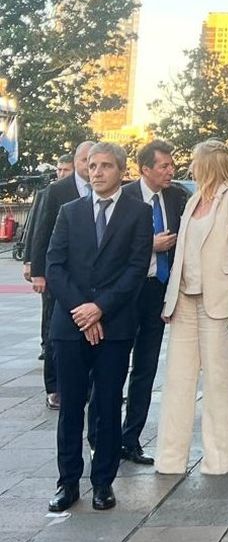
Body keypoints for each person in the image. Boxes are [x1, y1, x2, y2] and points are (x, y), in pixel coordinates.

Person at [45, 142, 152, 512]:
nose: (97, 172)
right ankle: (68, 482)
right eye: (92, 165)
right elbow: (54, 265)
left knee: (107, 405)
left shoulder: (139, 213)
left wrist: (100, 309)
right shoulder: (69, 212)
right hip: (71, 324)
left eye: (106, 165)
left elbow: (136, 268)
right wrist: (82, 310)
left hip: (115, 325)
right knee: (71, 406)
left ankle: (103, 482)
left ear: (121, 170)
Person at [156, 140, 228, 476]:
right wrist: (170, 298)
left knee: (220, 383)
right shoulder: (193, 199)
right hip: (184, 299)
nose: (190, 168)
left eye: (195, 162)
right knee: (177, 381)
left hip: (222, 301)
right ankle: (169, 458)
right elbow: (181, 252)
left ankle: (221, 459)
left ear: (209, 164)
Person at [120, 140, 187, 465]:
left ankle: (131, 439)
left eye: (171, 165)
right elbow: (111, 243)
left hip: (157, 292)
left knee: (146, 368)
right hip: (125, 294)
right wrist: (149, 244)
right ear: (145, 169)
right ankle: (102, 437)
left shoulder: (176, 197)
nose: (170, 171)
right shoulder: (125, 196)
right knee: (115, 366)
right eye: (163, 166)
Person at [28, 141, 95, 411]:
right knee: (54, 330)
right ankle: (55, 387)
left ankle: (88, 385)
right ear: (78, 162)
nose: (91, 169)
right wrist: (37, 272)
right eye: (86, 162)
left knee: (87, 330)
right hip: (58, 273)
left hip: (89, 275)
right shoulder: (57, 190)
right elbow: (41, 229)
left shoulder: (105, 190)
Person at [21, 153, 73, 398]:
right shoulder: (50, 192)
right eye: (59, 169)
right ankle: (54, 386)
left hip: (79, 273)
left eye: (66, 169)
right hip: (54, 270)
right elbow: (37, 229)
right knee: (52, 323)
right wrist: (32, 264)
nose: (61, 174)